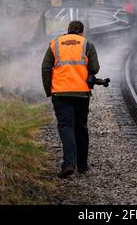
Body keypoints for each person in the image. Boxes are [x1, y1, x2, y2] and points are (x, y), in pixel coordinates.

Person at [41, 20, 100, 178]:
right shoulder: (87, 45)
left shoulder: (55, 44)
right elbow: (94, 68)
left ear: (67, 31)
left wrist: (49, 91)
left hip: (60, 94)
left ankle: (69, 164)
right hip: (81, 93)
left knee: (66, 126)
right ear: (81, 32)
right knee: (81, 127)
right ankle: (82, 166)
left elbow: (45, 68)